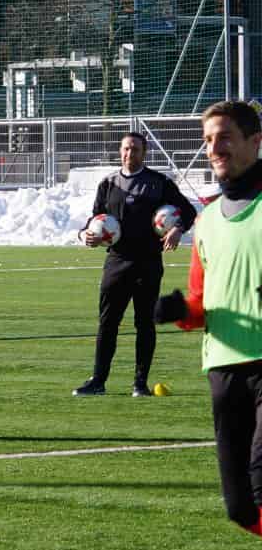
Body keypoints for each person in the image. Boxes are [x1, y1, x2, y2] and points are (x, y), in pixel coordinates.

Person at [153, 100, 262, 550]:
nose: (214, 149)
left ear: (254, 141)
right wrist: (179, 311)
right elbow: (201, 304)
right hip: (224, 368)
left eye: (224, 138)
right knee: (240, 508)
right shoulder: (207, 219)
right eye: (209, 140)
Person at [74, 131, 196, 397]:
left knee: (145, 323)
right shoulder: (108, 183)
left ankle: (140, 384)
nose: (130, 154)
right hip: (116, 262)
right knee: (108, 323)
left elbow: (188, 211)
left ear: (145, 153)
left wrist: (177, 230)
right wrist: (86, 235)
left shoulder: (159, 182)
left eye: (136, 150)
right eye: (126, 149)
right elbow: (95, 219)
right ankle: (98, 381)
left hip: (148, 262)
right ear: (120, 151)